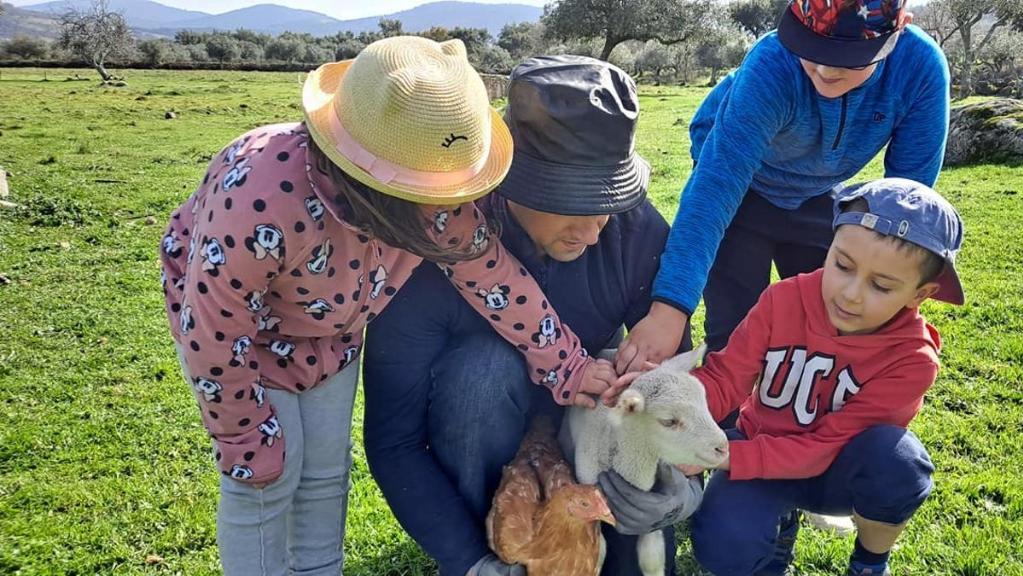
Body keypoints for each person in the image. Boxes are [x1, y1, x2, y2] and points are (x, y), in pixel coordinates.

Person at [160, 38, 616, 575]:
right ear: (371, 182)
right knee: (264, 478)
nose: (452, 208)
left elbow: (496, 279)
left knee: (325, 476)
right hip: (245, 344)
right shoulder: (261, 193)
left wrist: (566, 364)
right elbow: (214, 329)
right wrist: (242, 433)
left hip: (330, 337)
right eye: (436, 194)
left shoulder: (437, 207)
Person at [361, 56, 701, 576]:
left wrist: (680, 493)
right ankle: (491, 544)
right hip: (478, 430)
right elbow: (394, 440)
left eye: (605, 202)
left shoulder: (633, 231)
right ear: (508, 180)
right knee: (482, 371)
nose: (591, 233)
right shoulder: (430, 253)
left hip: (586, 432)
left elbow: (676, 385)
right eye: (570, 203)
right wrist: (470, 561)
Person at [616, 0, 950, 374]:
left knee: (830, 323)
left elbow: (906, 200)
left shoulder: (920, 69)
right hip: (743, 186)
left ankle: (802, 422)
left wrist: (893, 295)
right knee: (736, 327)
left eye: (848, 56)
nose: (823, 68)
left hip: (819, 191)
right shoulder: (773, 64)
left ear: (898, 30)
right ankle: (730, 427)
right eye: (809, 45)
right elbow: (714, 189)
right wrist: (669, 309)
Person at [683, 178, 965, 576]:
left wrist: (730, 456)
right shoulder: (783, 298)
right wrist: (676, 404)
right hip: (761, 444)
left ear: (920, 294)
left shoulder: (913, 358)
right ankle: (773, 542)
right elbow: (727, 377)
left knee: (899, 462)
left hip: (833, 473)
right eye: (842, 265)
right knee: (722, 547)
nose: (851, 294)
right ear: (829, 246)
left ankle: (870, 562)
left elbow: (827, 444)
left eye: (881, 285)